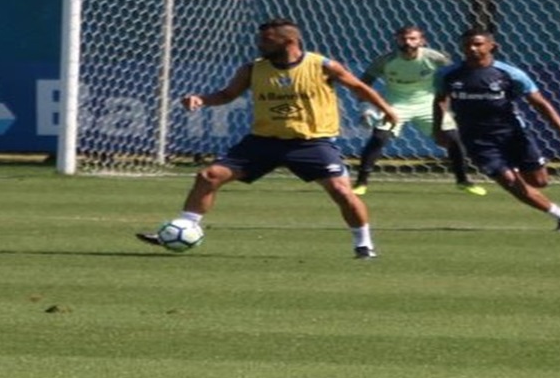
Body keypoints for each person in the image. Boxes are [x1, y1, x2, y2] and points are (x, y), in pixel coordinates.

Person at [135, 18, 400, 259]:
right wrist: (201, 99)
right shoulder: (252, 69)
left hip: (311, 142)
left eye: (266, 40)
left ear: (289, 41)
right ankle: (184, 226)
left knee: (342, 191)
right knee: (209, 176)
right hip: (262, 141)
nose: (260, 44)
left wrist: (386, 109)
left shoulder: (321, 65)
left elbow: (358, 87)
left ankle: (364, 244)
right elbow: (227, 95)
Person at [432, 28, 560, 232]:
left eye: (478, 44)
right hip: (476, 138)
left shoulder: (510, 74)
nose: (472, 49)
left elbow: (540, 103)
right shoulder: (448, 74)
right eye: (467, 45)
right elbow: (440, 100)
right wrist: (438, 129)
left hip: (513, 134)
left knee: (539, 181)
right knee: (509, 181)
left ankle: (516, 175)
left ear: (492, 46)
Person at [352, 25, 486, 196]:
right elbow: (364, 83)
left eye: (413, 38)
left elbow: (454, 75)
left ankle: (463, 181)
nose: (408, 42)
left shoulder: (434, 58)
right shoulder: (385, 61)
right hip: (396, 104)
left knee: (454, 139)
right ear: (397, 40)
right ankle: (361, 183)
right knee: (379, 138)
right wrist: (366, 106)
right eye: (403, 39)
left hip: (428, 105)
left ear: (422, 40)